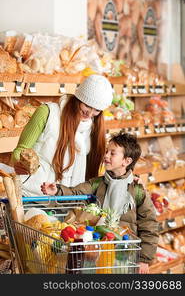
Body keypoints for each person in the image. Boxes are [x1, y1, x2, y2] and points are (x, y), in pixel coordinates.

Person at [41, 132, 159, 274]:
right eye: (106, 151)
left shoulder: (138, 191)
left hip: (125, 254)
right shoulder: (98, 183)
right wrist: (57, 191)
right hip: (96, 252)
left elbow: (149, 225)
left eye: (112, 153)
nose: (106, 156)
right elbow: (76, 192)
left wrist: (144, 260)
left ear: (126, 161)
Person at [11, 74, 113, 197]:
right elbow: (20, 150)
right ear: (78, 99)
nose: (90, 113)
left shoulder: (92, 128)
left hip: (64, 201)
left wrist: (126, 180)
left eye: (96, 110)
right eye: (87, 106)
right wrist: (19, 163)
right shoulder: (48, 113)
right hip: (32, 195)